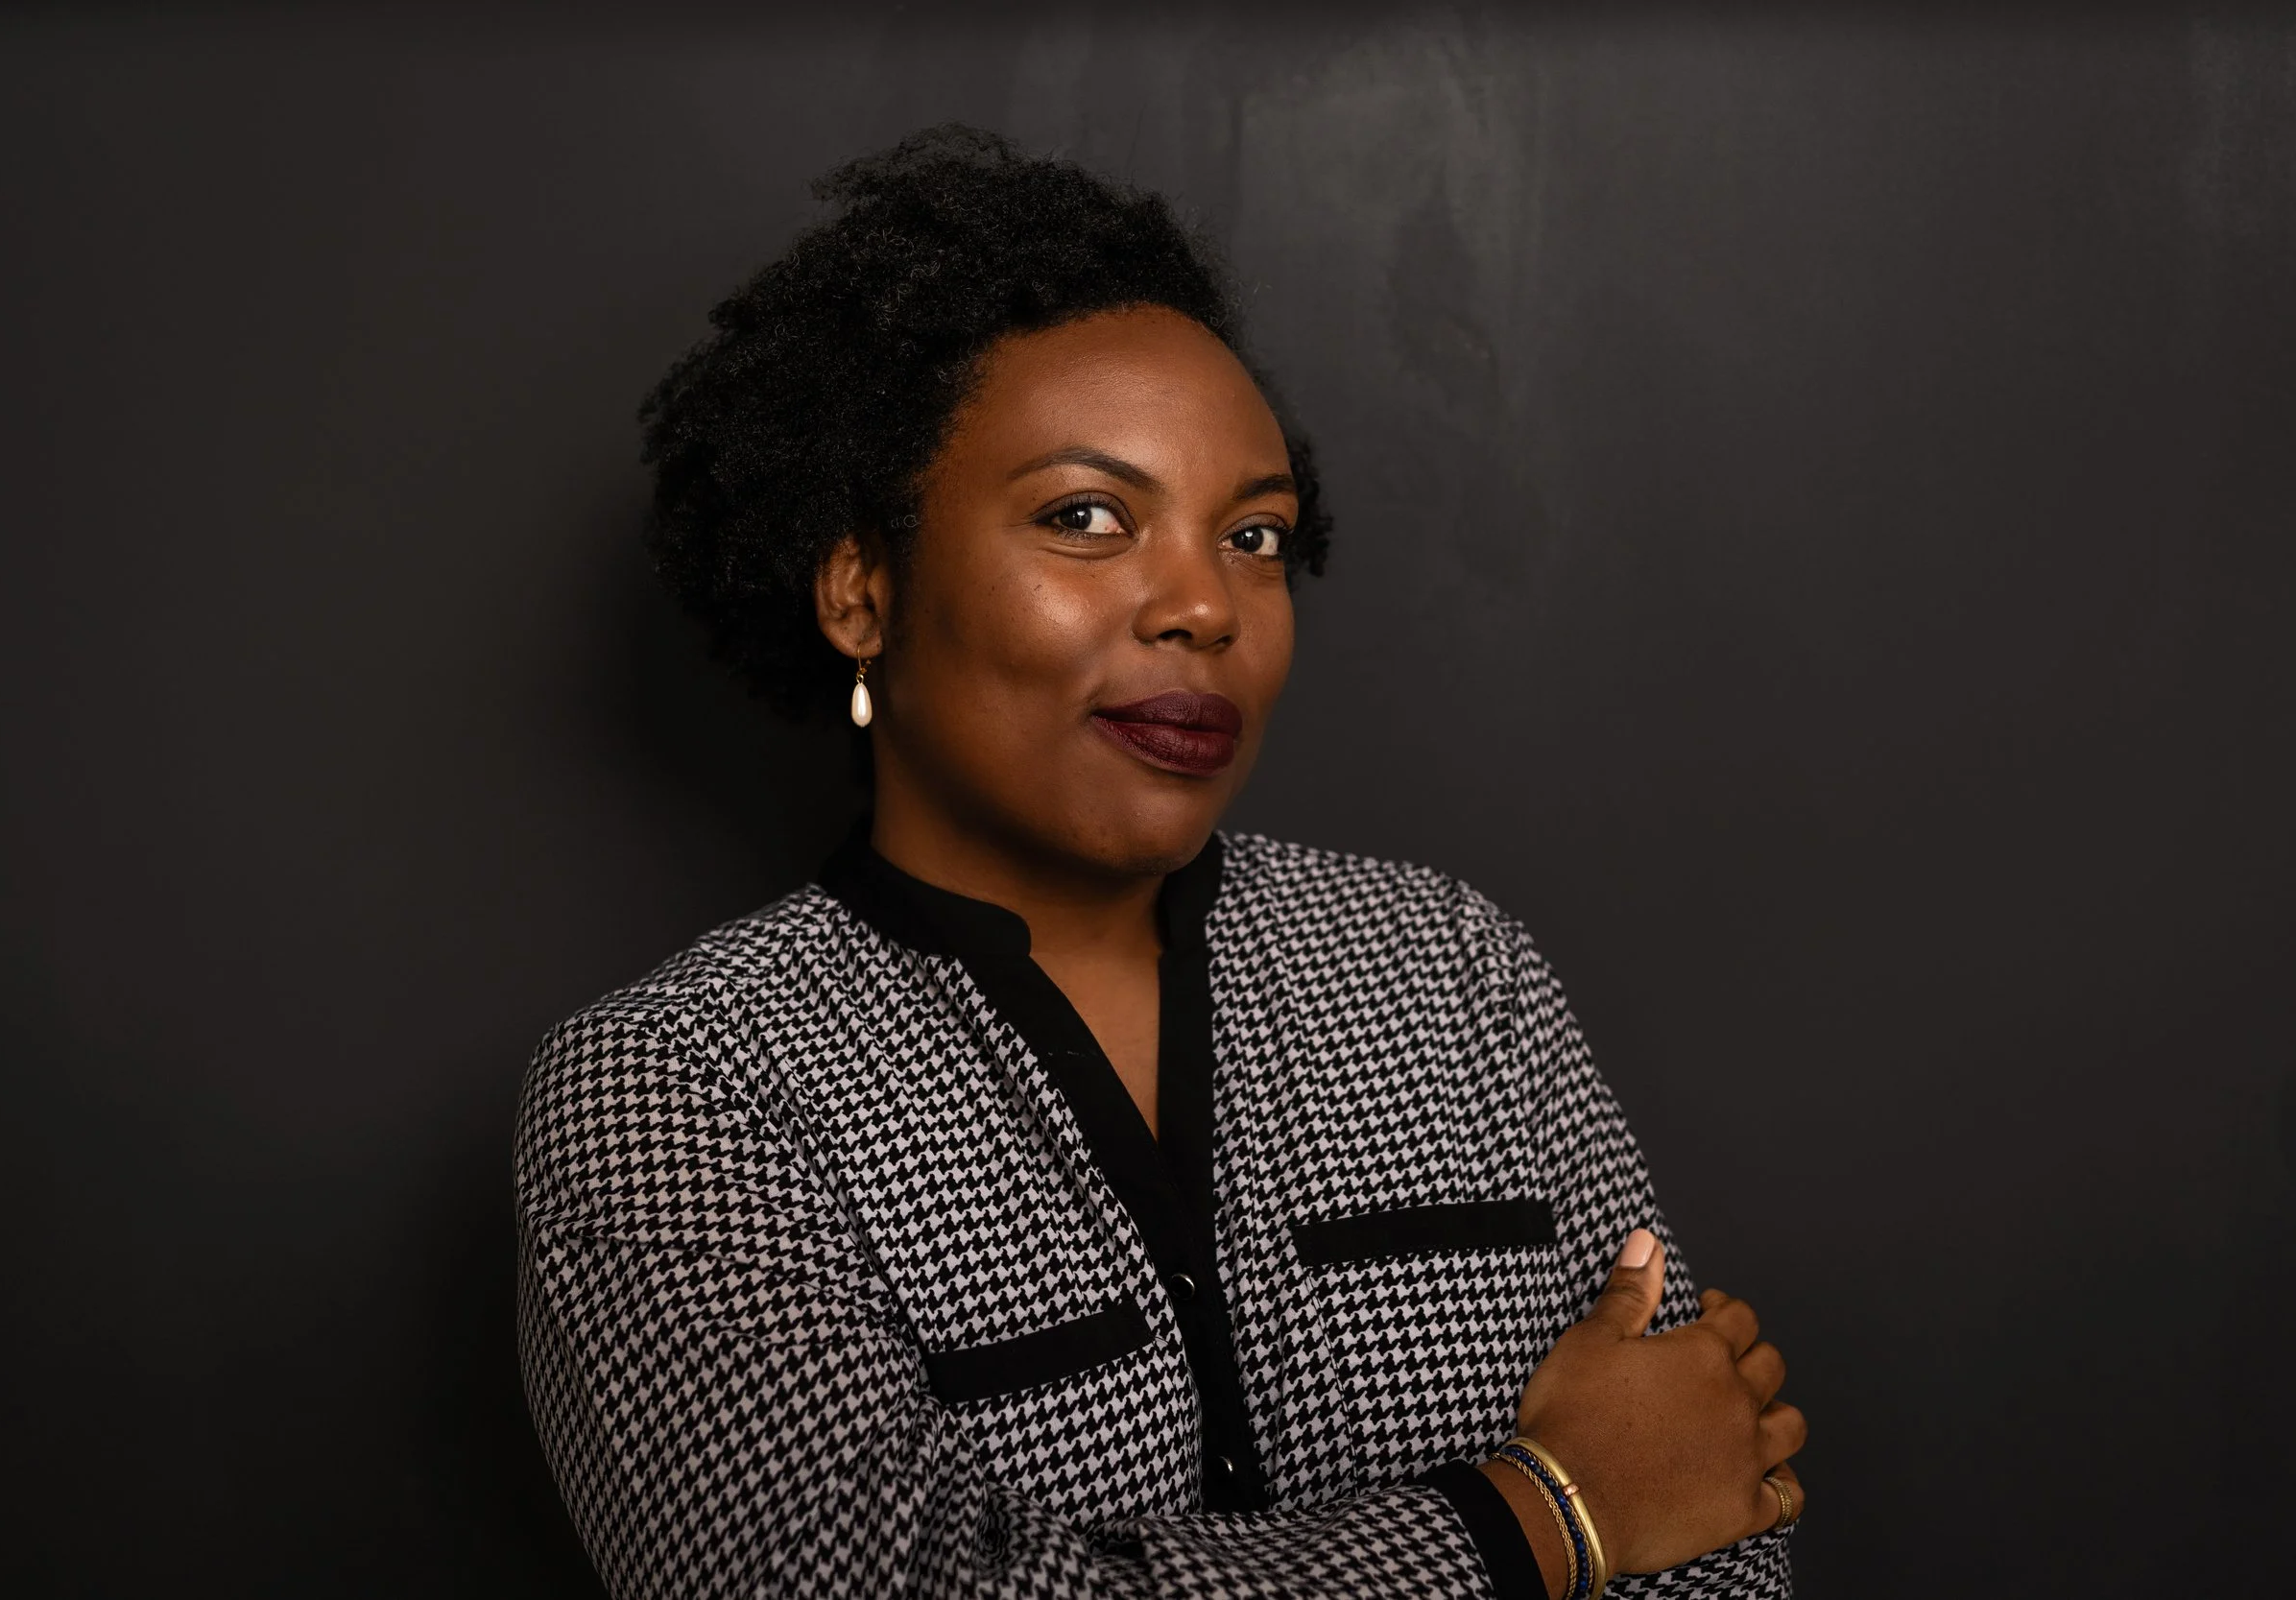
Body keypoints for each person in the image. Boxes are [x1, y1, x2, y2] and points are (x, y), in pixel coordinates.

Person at [515, 125, 1804, 1600]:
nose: (1206, 601)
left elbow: (1712, 1514)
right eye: (1086, 516)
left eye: (1255, 533)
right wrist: (1538, 1517)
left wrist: (1638, 1499)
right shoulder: (680, 1086)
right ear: (861, 589)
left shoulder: (1451, 966)